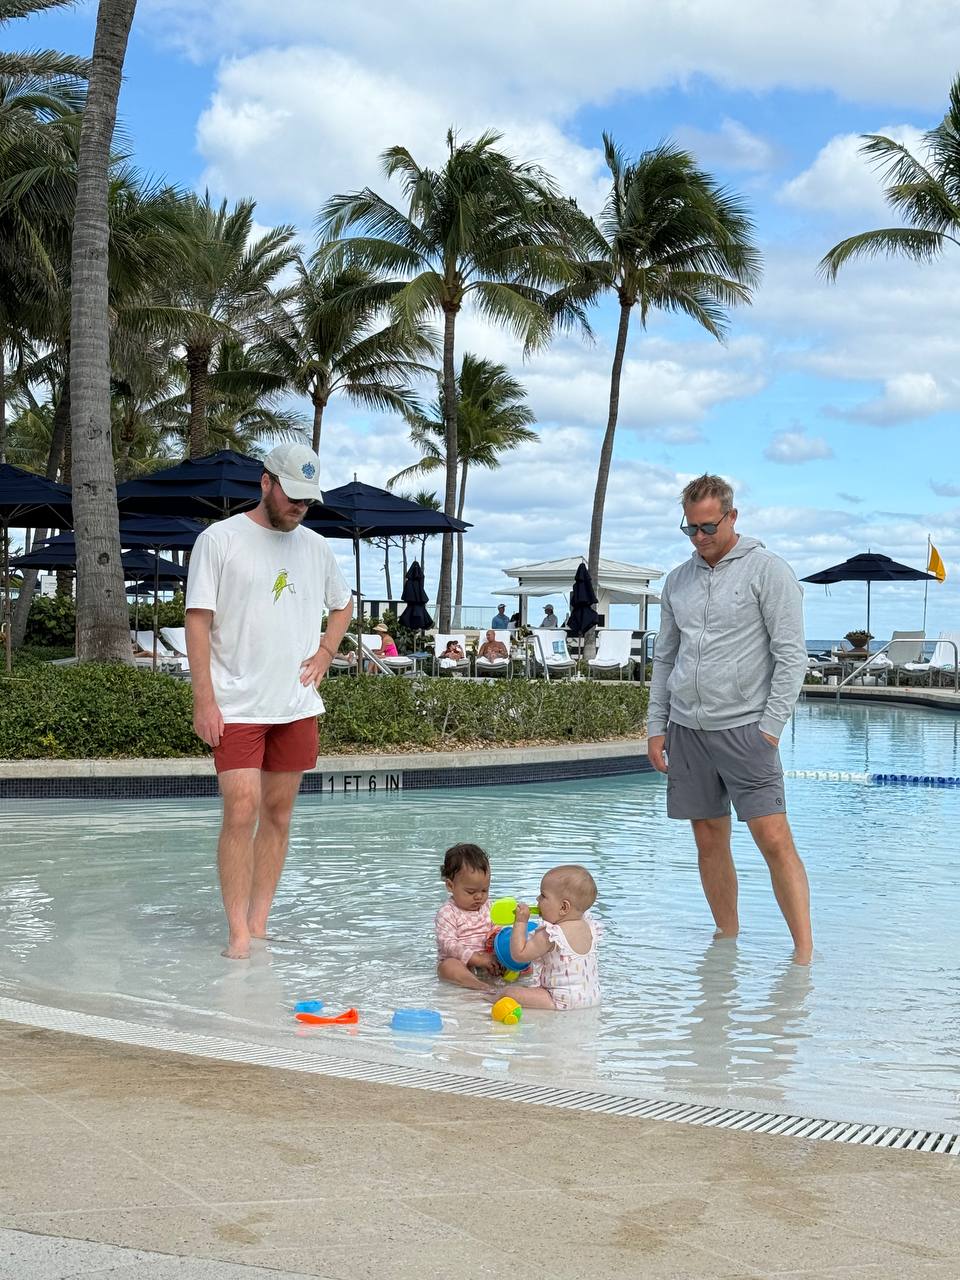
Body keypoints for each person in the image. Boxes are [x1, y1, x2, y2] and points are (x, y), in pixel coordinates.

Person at [185, 442, 354, 960]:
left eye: (307, 499)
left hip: (295, 703)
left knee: (278, 812)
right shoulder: (219, 540)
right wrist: (203, 701)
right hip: (236, 702)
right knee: (241, 808)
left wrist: (326, 652)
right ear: (266, 483)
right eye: (292, 495)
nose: (300, 506)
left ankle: (258, 923)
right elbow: (198, 620)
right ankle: (236, 932)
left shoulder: (316, 548)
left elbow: (343, 605)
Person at [646, 474, 812, 963]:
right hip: (687, 729)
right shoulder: (678, 580)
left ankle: (804, 954)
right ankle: (726, 942)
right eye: (690, 528)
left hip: (747, 729)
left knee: (774, 838)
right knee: (708, 838)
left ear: (732, 516)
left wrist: (771, 729)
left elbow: (791, 656)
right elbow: (665, 657)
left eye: (708, 527)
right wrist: (657, 726)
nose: (699, 537)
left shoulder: (769, 571)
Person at [507, 865, 600, 1010]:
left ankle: (482, 998)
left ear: (563, 907)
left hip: (560, 999)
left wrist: (520, 922)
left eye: (543, 896)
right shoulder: (589, 926)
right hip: (592, 997)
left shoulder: (552, 934)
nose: (537, 899)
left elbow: (519, 955)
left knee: (508, 993)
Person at [435, 843, 499, 991]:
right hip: (462, 964)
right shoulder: (447, 912)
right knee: (448, 966)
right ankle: (478, 985)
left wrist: (497, 939)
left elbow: (498, 928)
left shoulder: (489, 907)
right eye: (471, 892)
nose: (479, 897)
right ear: (450, 886)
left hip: (487, 962)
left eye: (484, 890)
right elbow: (448, 943)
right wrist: (475, 958)